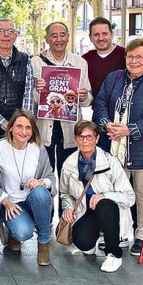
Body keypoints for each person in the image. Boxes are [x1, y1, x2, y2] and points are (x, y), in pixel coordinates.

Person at [93, 38, 143, 256]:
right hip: (113, 146)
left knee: (142, 193)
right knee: (114, 192)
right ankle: (116, 234)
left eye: (139, 57)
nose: (134, 61)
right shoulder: (114, 78)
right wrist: (106, 123)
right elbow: (100, 103)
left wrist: (130, 129)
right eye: (130, 56)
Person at [60, 121, 135, 272]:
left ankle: (114, 253)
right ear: (75, 139)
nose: (85, 141)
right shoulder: (69, 163)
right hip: (85, 211)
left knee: (104, 204)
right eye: (81, 137)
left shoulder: (110, 162)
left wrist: (104, 195)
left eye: (89, 137)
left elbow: (129, 197)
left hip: (110, 212)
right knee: (83, 243)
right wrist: (68, 206)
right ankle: (92, 239)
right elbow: (65, 193)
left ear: (97, 138)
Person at [0, 109, 55, 265]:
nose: (24, 131)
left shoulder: (38, 149)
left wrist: (41, 182)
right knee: (23, 232)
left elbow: (51, 178)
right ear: (11, 127)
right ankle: (14, 232)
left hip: (33, 201)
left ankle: (43, 242)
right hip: (11, 204)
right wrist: (4, 201)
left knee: (40, 193)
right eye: (19, 126)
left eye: (28, 127)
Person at [32, 21, 93, 178]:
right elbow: (31, 100)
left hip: (70, 129)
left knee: (69, 178)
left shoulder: (80, 62)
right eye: (54, 35)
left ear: (68, 37)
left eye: (62, 35)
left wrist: (85, 96)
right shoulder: (36, 62)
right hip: (45, 129)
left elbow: (86, 101)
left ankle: (67, 204)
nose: (58, 39)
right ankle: (48, 204)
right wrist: (36, 89)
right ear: (46, 39)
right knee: (45, 178)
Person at [82, 17, 126, 99]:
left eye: (105, 34)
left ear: (112, 35)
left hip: (123, 110)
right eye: (96, 34)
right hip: (97, 109)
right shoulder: (85, 59)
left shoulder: (126, 55)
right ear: (90, 37)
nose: (101, 38)